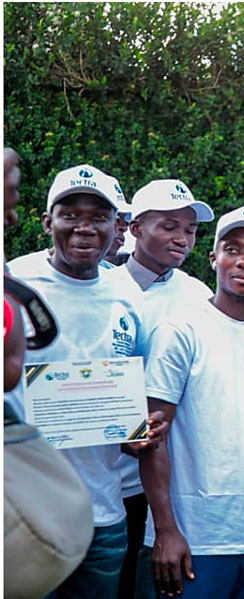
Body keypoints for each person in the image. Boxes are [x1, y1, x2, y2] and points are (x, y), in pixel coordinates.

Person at [6, 163, 167, 598]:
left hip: (103, 516)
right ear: (46, 224)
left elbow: (137, 395)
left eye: (98, 218)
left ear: (118, 228)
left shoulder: (129, 296)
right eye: (70, 215)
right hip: (23, 512)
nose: (84, 228)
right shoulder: (14, 284)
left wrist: (139, 429)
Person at [139, 205, 244, 598]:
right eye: (232, 248)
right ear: (213, 258)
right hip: (195, 540)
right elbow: (151, 435)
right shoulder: (180, 332)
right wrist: (165, 529)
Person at [116, 178, 215, 599]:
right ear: (135, 228)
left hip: (162, 480)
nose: (182, 238)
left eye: (190, 230)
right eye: (169, 226)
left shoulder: (198, 296)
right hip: (99, 479)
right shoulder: (103, 287)